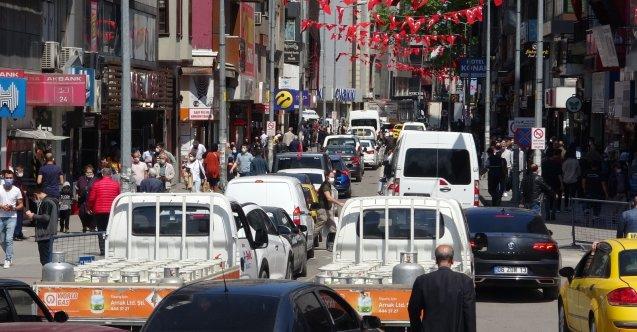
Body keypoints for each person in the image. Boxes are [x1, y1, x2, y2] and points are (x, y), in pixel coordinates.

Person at [408, 244, 476, 332]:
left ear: (436, 260)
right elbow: (469, 314)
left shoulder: (422, 281)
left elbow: (413, 310)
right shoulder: (465, 281)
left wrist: (417, 329)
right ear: (452, 261)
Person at [87, 168, 121, 255]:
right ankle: (110, 249)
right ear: (111, 175)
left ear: (102, 174)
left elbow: (91, 198)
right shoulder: (116, 185)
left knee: (101, 230)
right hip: (112, 211)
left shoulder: (96, 184)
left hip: (99, 211)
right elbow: (118, 198)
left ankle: (103, 249)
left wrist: (89, 208)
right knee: (110, 230)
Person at [25, 186, 58, 266]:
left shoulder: (46, 202)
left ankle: (47, 276)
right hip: (47, 233)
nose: (33, 200)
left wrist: (33, 215)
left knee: (45, 259)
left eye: (32, 198)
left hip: (45, 234)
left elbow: (46, 217)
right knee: (46, 258)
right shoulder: (50, 200)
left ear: (35, 195)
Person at [0, 170, 23, 268]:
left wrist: (13, 208)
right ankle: (10, 254)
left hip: (12, 217)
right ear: (3, 178)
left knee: (9, 239)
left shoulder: (16, 190)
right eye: (7, 178)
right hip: (1, 216)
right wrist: (1, 206)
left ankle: (8, 259)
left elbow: (21, 205)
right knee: (2, 240)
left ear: (13, 179)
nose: (9, 179)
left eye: (10, 178)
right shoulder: (0, 188)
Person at [318, 170, 344, 250]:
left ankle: (330, 245)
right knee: (318, 227)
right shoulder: (325, 185)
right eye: (331, 177)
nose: (333, 178)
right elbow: (329, 198)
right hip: (323, 210)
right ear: (327, 177)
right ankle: (309, 241)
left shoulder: (328, 185)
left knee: (333, 228)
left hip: (328, 210)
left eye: (333, 177)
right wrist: (339, 203)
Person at [542, 150, 563, 221]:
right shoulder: (557, 163)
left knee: (547, 200)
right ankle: (553, 214)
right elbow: (559, 175)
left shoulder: (544, 164)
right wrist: (562, 184)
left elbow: (543, 175)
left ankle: (547, 215)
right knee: (555, 199)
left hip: (546, 184)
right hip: (555, 184)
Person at [76, 165, 96, 232]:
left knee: (92, 214)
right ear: (85, 172)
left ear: (93, 172)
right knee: (82, 213)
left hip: (92, 200)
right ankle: (84, 225)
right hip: (83, 200)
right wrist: (77, 194)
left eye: (91, 172)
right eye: (88, 172)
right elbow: (77, 188)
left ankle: (92, 226)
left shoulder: (95, 179)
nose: (89, 174)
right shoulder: (81, 179)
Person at [12, 165, 27, 241]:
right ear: (16, 171)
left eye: (22, 171)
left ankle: (19, 233)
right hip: (17, 201)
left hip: (21, 200)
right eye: (20, 171)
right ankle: (16, 234)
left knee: (21, 219)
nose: (22, 172)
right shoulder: (15, 181)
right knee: (17, 218)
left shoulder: (20, 180)